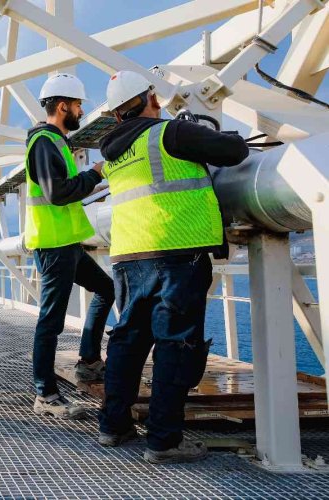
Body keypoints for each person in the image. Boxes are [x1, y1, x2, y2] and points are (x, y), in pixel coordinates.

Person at [96, 71, 248, 463]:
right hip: (177, 252)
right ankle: (164, 441)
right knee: (175, 344)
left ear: (116, 115)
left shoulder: (113, 153)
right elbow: (234, 151)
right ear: (152, 99)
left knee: (129, 340)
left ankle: (113, 426)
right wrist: (216, 133)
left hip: (128, 256)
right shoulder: (169, 133)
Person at [25, 73, 115, 419]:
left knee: (106, 288)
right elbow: (57, 193)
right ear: (63, 106)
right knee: (51, 321)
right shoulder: (44, 142)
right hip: (54, 246)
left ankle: (89, 361)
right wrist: (94, 174)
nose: (80, 111)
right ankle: (45, 395)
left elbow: (63, 190)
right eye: (78, 105)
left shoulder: (56, 142)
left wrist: (92, 185)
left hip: (68, 244)